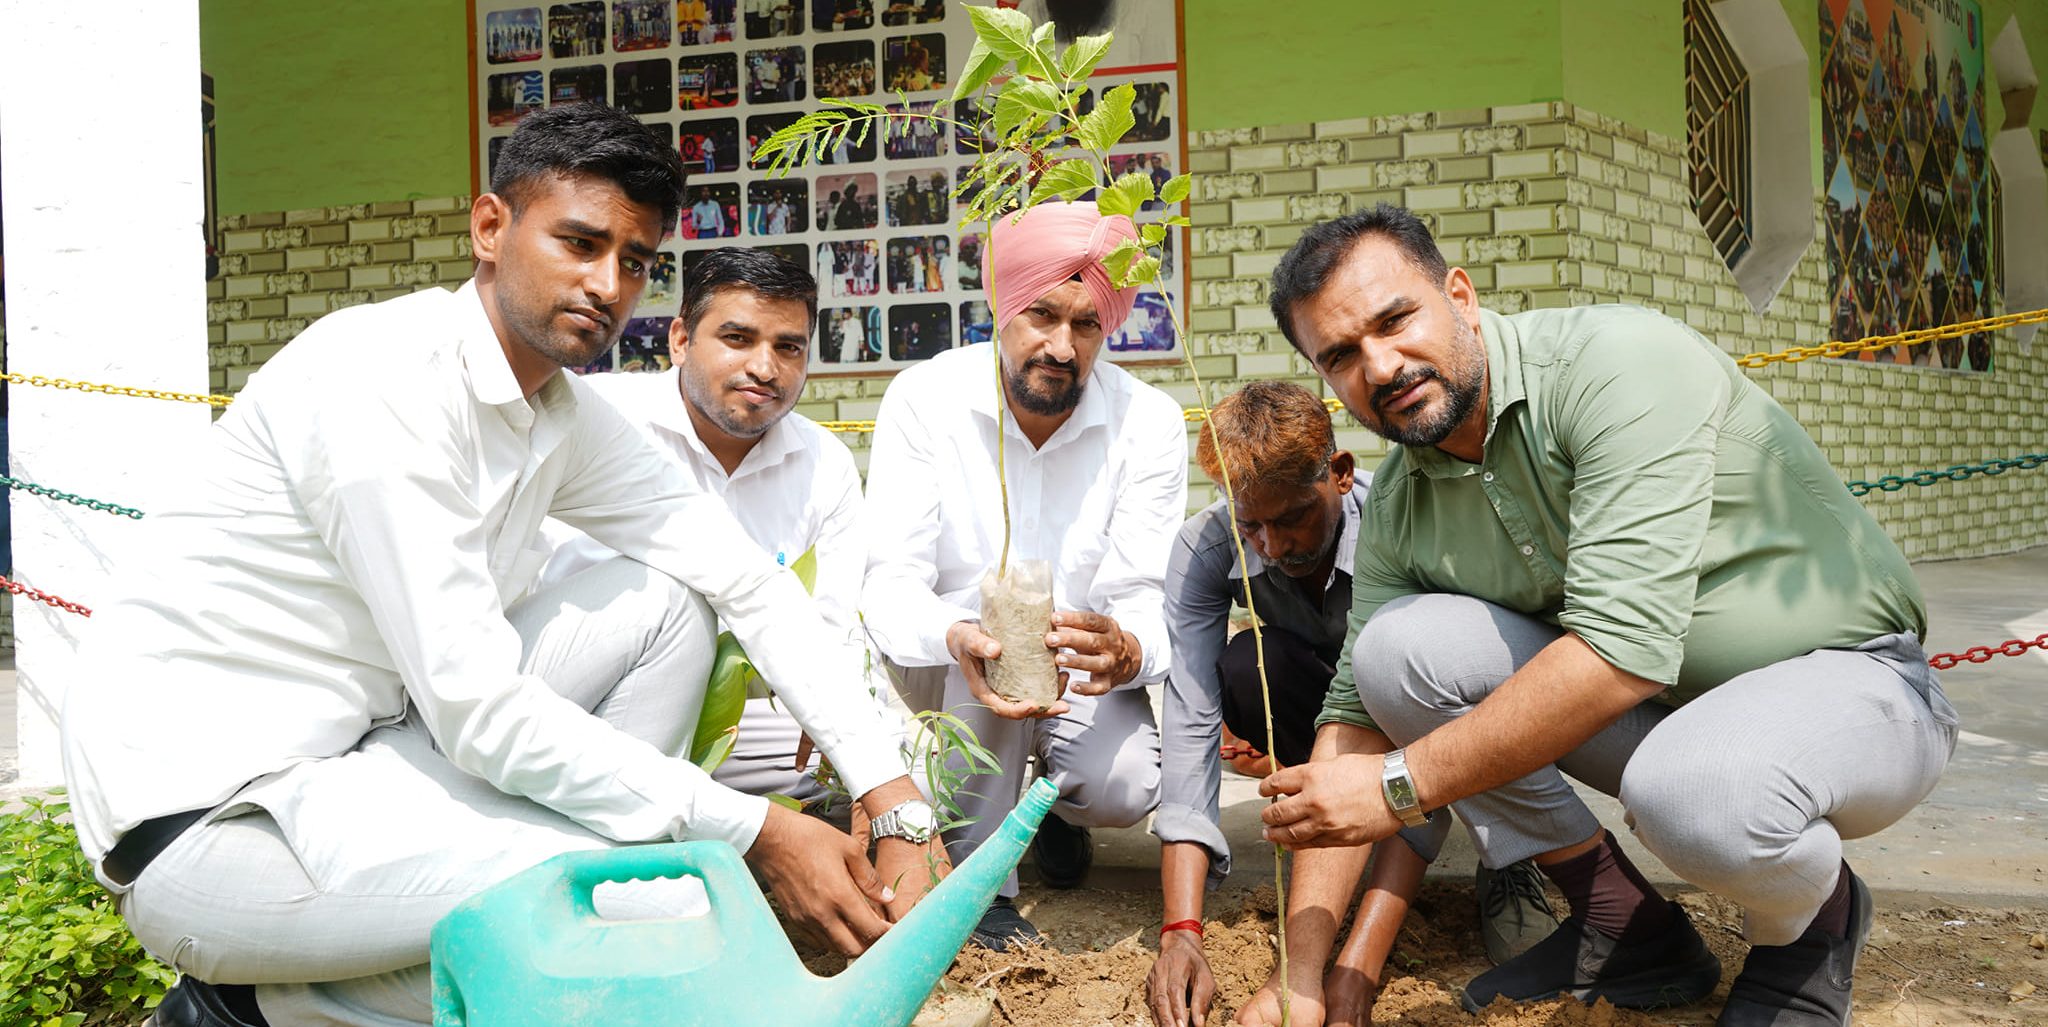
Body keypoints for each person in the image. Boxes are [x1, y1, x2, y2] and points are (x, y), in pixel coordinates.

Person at [62, 103, 943, 1027]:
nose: (607, 284)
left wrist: (891, 797)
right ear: (491, 227)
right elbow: (477, 710)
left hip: (359, 760)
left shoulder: (559, 413)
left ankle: (325, 984)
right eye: (579, 241)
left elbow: (746, 576)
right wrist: (752, 828)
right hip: (210, 824)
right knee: (651, 919)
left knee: (669, 604)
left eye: (635, 261)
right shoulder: (382, 381)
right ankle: (245, 1005)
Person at [1248, 204, 1955, 1027]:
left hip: (1858, 684)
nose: (1382, 364)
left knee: (1694, 791)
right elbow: (1353, 721)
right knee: (1396, 656)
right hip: (1668, 715)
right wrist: (1298, 976)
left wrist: (1399, 787)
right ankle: (1627, 924)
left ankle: (1814, 926)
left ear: (1461, 298)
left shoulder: (1617, 364)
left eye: (1396, 318)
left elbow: (1622, 651)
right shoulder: (1404, 497)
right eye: (1340, 354)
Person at [1143, 381, 1556, 1027]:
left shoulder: (1408, 524)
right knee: (1249, 664)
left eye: (1291, 519)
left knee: (1408, 676)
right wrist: (1182, 929)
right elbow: (1190, 721)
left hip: (1424, 706)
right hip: (1328, 704)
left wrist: (1355, 969)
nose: (1272, 547)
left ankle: (1507, 851)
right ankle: (1330, 838)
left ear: (1338, 475)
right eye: (1250, 523)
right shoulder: (1207, 545)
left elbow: (1423, 733)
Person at [861, 201, 1185, 950]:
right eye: (1040, 314)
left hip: (1077, 677)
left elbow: (1145, 593)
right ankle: (981, 882)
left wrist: (1128, 648)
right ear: (1000, 304)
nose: (1061, 346)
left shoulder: (1150, 422)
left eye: (1086, 325)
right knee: (991, 650)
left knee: (1125, 783)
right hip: (953, 673)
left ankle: (1050, 818)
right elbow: (889, 584)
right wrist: (955, 634)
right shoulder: (925, 399)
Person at [540, 247, 886, 809]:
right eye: (738, 339)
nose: (765, 368)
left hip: (755, 714)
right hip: (589, 704)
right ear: (680, 340)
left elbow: (834, 624)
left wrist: (845, 732)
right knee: (668, 596)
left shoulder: (824, 461)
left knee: (904, 762)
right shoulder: (598, 418)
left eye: (789, 347)